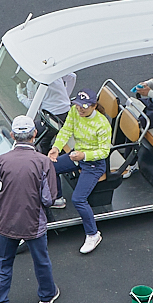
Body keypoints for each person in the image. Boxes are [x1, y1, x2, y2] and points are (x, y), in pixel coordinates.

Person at [0, 115, 58, 303]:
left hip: (6, 220)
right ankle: (47, 295)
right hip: (32, 222)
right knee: (41, 260)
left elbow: (2, 179)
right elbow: (48, 199)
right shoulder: (43, 161)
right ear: (34, 134)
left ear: (12, 135)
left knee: (3, 262)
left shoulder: (3, 159)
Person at [50, 90, 111, 254]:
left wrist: (85, 155)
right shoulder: (75, 111)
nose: (80, 110)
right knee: (50, 167)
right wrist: (56, 148)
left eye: (84, 107)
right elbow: (66, 130)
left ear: (94, 106)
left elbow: (104, 152)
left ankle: (93, 234)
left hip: (94, 163)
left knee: (78, 199)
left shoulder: (102, 124)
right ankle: (57, 199)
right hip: (77, 155)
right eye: (78, 106)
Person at [36, 70, 78, 148]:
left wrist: (20, 96)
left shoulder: (36, 85)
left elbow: (32, 105)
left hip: (53, 117)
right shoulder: (54, 73)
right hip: (65, 111)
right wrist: (66, 96)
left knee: (42, 141)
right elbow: (72, 77)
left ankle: (47, 158)